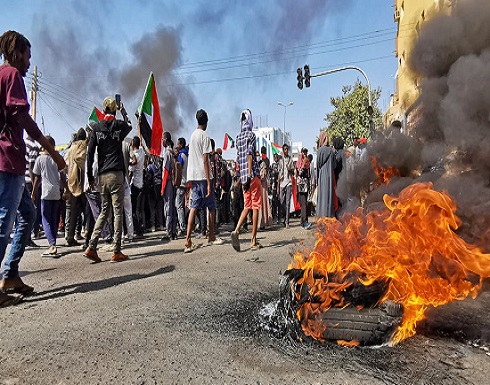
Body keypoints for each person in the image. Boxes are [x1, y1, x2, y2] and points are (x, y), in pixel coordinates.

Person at [0, 30, 66, 305]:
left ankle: (11, 273)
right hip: (8, 159)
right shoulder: (12, 75)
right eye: (28, 56)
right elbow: (24, 119)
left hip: (9, 160)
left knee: (27, 213)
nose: (29, 62)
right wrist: (52, 151)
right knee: (4, 222)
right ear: (17, 53)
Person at [84, 96, 132, 263]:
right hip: (116, 174)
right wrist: (123, 110)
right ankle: (116, 250)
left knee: (104, 211)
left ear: (103, 110)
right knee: (117, 212)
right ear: (114, 110)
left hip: (102, 176)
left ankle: (91, 246)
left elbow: (89, 154)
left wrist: (90, 176)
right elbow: (130, 125)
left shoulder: (96, 128)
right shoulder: (119, 125)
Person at [184, 109, 223, 252]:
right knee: (211, 207)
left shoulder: (192, 135)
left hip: (193, 177)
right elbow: (205, 161)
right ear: (206, 121)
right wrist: (208, 182)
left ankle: (188, 241)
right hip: (203, 176)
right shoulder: (205, 137)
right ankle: (211, 236)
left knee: (193, 207)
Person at [230, 109, 262, 251]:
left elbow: (239, 157)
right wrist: (250, 175)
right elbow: (250, 155)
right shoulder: (251, 135)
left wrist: (244, 177)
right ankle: (253, 240)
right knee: (256, 207)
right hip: (252, 176)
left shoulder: (238, 137)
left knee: (247, 206)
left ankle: (236, 230)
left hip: (243, 178)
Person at [32, 135, 65, 256]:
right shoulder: (57, 158)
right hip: (56, 192)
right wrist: (66, 189)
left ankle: (52, 245)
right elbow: (62, 175)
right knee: (54, 219)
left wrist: (33, 192)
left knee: (45, 220)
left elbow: (36, 177)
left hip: (45, 192)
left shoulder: (40, 159)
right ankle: (54, 242)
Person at [65, 127, 88, 247]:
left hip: (72, 183)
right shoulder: (83, 146)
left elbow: (64, 165)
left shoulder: (70, 149)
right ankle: (89, 235)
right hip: (83, 183)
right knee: (87, 211)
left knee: (73, 212)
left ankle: (70, 237)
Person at [316, 131, 337, 218]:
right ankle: (329, 216)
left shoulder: (319, 151)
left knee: (322, 197)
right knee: (329, 196)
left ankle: (322, 216)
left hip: (321, 176)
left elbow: (318, 165)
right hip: (330, 176)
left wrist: (318, 178)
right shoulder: (331, 151)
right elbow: (334, 165)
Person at [161, 132, 176, 241]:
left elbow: (166, 172)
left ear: (166, 140)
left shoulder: (167, 153)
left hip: (168, 182)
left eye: (162, 138)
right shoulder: (172, 153)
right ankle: (173, 231)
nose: (162, 140)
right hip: (172, 182)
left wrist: (162, 187)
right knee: (172, 207)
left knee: (168, 207)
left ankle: (169, 232)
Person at [129, 136, 145, 238]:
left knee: (133, 209)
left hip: (134, 184)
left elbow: (130, 171)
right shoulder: (142, 152)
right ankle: (140, 228)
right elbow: (141, 141)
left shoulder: (134, 156)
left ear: (132, 144)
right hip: (141, 183)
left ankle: (138, 230)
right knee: (139, 209)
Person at [278, 144, 294, 228]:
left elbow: (293, 171)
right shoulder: (280, 161)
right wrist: (278, 185)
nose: (286, 151)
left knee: (287, 202)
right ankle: (284, 218)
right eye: (284, 149)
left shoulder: (290, 160)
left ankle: (287, 221)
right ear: (282, 150)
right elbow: (279, 174)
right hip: (282, 183)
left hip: (289, 183)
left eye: (287, 149)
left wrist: (290, 169)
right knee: (281, 202)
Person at [175, 137, 188, 236]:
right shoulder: (187, 154)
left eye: (178, 144)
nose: (177, 145)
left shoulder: (181, 155)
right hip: (186, 182)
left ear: (181, 145)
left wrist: (176, 182)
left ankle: (182, 227)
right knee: (184, 205)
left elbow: (179, 169)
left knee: (178, 206)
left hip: (181, 183)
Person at [296, 147, 311, 229]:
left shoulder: (307, 162)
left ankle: (304, 221)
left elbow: (308, 174)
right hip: (301, 185)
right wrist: (303, 164)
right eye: (303, 152)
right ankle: (304, 222)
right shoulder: (299, 162)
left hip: (305, 184)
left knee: (305, 202)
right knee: (303, 203)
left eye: (306, 152)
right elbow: (299, 172)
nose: (304, 154)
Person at [259, 146, 272, 229]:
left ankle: (262, 222)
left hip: (261, 183)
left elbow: (264, 173)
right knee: (265, 202)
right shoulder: (267, 160)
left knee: (261, 202)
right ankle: (266, 220)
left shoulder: (261, 160)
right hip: (264, 183)